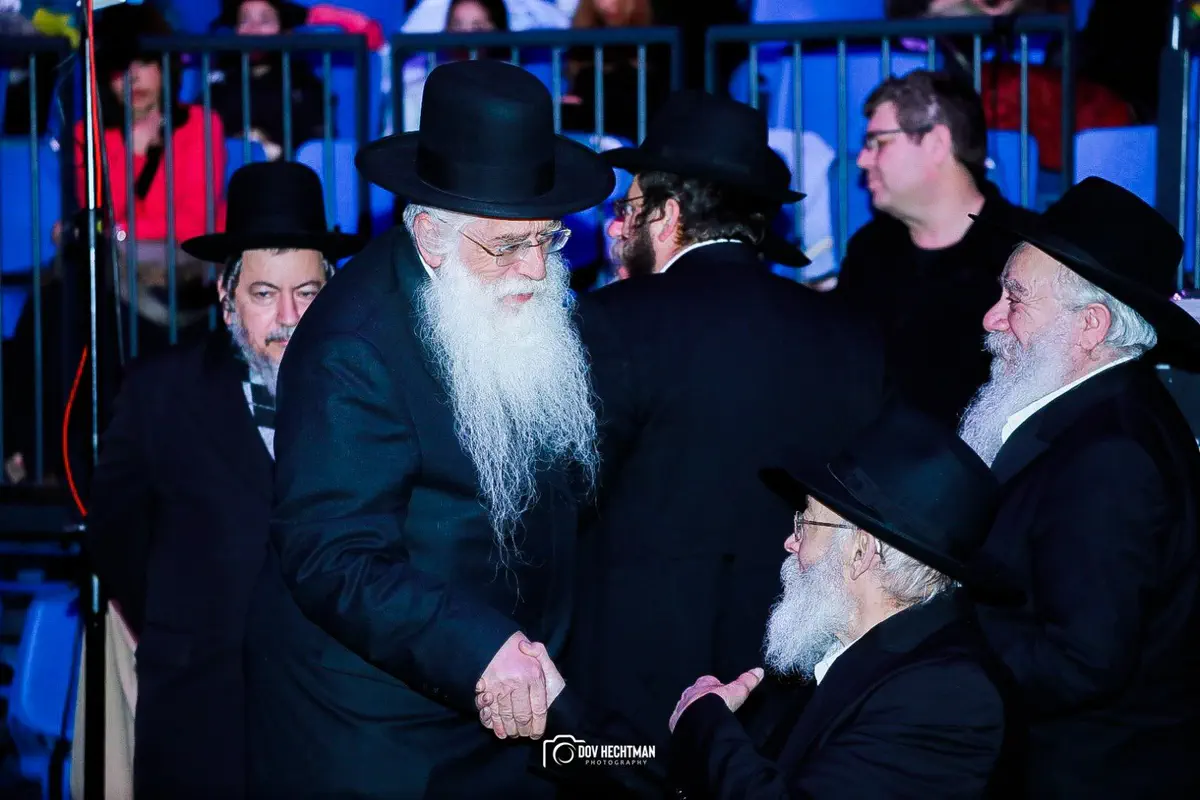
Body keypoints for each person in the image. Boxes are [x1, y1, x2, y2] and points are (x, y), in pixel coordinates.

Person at [242, 60, 617, 798]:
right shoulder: (354, 347)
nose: (535, 269)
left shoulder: (506, 301)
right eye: (508, 245)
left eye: (547, 239)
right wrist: (482, 648)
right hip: (378, 729)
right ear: (431, 235)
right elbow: (334, 555)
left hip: (503, 700)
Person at [567, 90, 889, 757]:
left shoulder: (613, 321)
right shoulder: (851, 334)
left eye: (630, 207)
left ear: (668, 217)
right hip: (792, 685)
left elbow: (563, 496)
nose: (619, 228)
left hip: (635, 694)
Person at [84, 160, 361, 799]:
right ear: (225, 295)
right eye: (263, 294)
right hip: (200, 714)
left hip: (330, 722)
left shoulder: (365, 394)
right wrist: (189, 623)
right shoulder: (160, 394)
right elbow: (115, 538)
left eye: (307, 292)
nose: (287, 316)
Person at [959, 177, 1200, 796]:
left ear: (1091, 326)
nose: (991, 317)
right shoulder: (1093, 410)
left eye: (1015, 299)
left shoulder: (1112, 455)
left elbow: (1079, 662)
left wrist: (931, 645)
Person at [667, 402, 1020, 798]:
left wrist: (705, 725)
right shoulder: (863, 650)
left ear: (860, 553)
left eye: (805, 522)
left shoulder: (947, 697)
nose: (791, 542)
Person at [835, 71, 1036, 428]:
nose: (863, 159)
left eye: (878, 142)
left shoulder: (1027, 252)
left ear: (936, 143)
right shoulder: (869, 250)